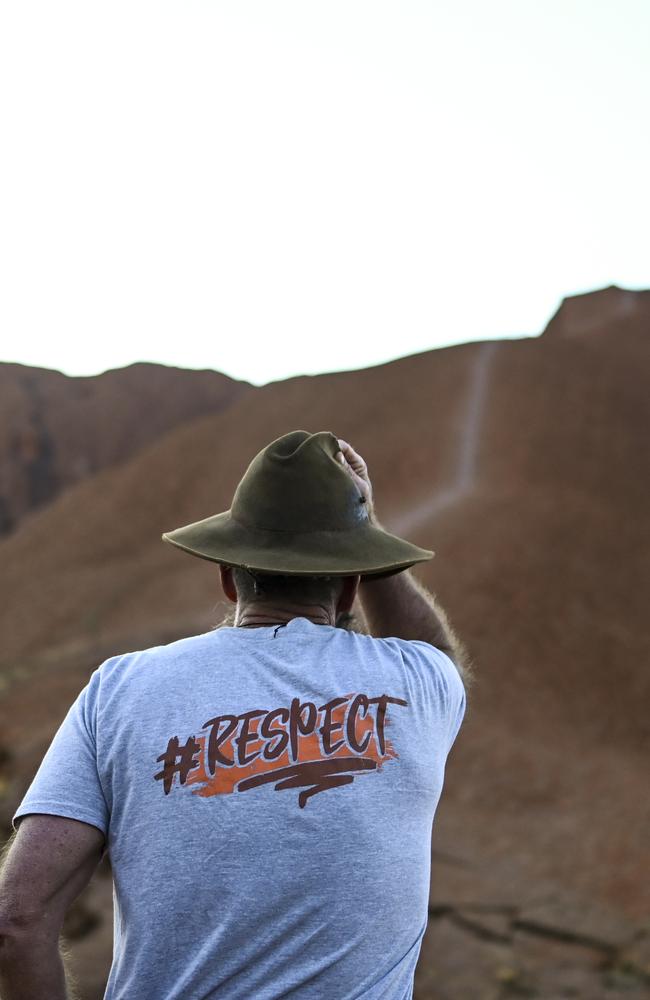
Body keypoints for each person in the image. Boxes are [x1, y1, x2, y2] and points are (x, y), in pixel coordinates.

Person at [0, 430, 471, 1000]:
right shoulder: (418, 684)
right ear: (352, 587)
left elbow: (17, 921)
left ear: (227, 576)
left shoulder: (118, 689)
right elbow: (438, 652)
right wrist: (366, 539)